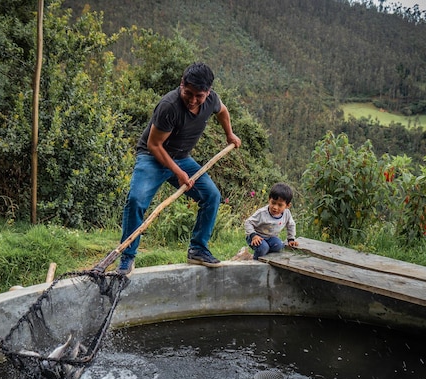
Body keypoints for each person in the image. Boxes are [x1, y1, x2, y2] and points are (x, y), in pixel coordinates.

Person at [116, 62, 242, 275]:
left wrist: (229, 134)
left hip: (182, 158)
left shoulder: (211, 100)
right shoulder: (169, 106)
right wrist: (178, 172)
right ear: (181, 85)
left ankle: (198, 249)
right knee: (136, 200)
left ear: (208, 93)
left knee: (211, 196)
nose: (193, 100)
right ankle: (127, 258)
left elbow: (223, 111)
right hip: (152, 158)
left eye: (199, 96)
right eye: (188, 93)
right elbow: (153, 145)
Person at [244, 183, 299, 260]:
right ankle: (255, 261)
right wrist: (253, 236)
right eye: (273, 203)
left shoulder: (287, 214)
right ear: (269, 199)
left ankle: (266, 259)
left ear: (287, 206)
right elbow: (248, 222)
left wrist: (291, 239)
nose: (275, 207)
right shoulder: (262, 213)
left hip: (271, 237)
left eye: (280, 205)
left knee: (279, 245)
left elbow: (291, 225)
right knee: (263, 248)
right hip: (256, 237)